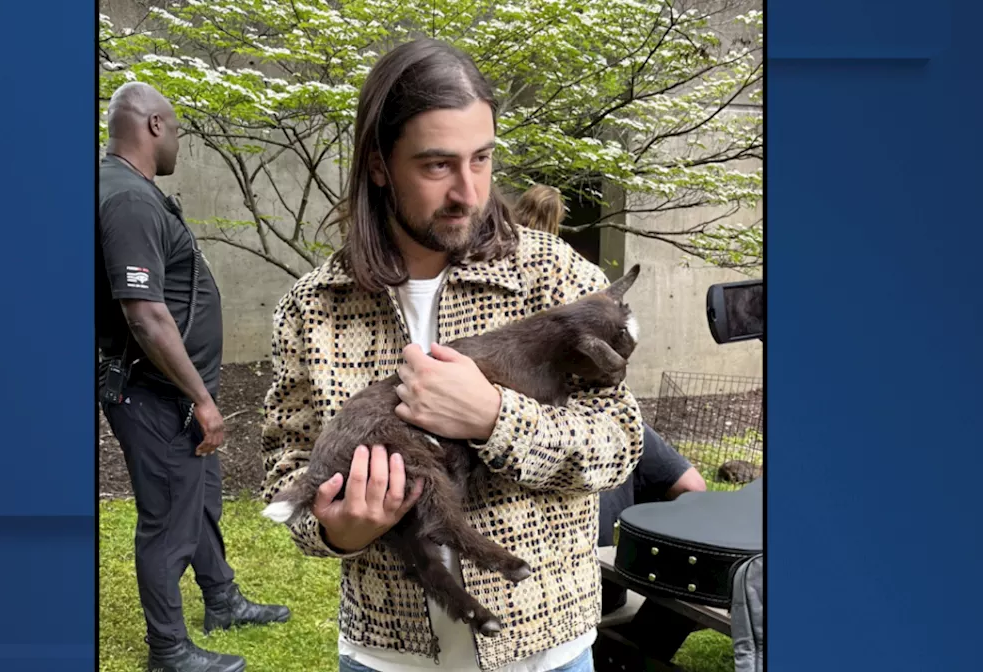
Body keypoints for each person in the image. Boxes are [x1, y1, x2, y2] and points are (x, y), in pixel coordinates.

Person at [260, 40, 647, 672]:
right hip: (385, 653)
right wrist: (334, 530)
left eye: (483, 159)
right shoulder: (313, 308)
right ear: (380, 164)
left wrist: (497, 417)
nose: (469, 192)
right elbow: (287, 470)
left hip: (546, 650)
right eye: (437, 166)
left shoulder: (553, 276)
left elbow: (621, 442)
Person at [97, 81, 288, 672]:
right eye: (176, 129)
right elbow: (145, 313)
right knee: (168, 521)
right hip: (156, 394)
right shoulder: (126, 198)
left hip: (172, 395)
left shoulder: (134, 192)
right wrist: (203, 399)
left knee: (199, 498)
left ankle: (222, 599)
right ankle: (169, 652)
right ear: (153, 126)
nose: (178, 141)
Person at [596, 424, 707, 614]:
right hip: (605, 591)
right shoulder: (621, 417)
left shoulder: (533, 427)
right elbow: (692, 488)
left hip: (546, 605)